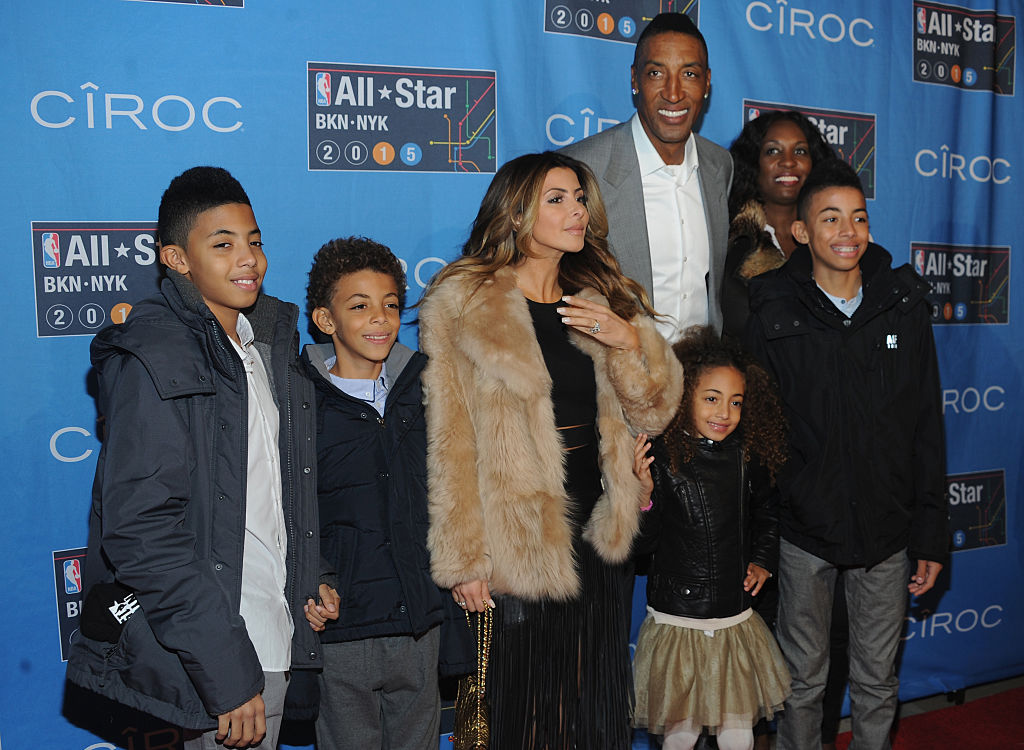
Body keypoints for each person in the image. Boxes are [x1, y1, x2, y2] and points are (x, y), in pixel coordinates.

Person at [418, 151, 683, 749]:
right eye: (556, 199)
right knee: (520, 712)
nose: (576, 211)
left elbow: (656, 412)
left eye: (580, 198)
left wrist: (628, 338)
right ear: (516, 213)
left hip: (600, 530)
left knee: (593, 706)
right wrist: (465, 558)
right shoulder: (462, 299)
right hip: (518, 539)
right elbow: (449, 438)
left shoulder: (601, 298)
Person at [66, 166, 336, 748]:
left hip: (276, 636)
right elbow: (141, 530)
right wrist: (225, 672)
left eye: (255, 241)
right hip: (219, 657)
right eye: (223, 244)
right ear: (176, 258)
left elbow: (279, 498)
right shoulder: (154, 355)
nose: (249, 259)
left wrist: (316, 581)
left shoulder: (265, 347)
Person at [744, 159, 948, 750]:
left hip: (886, 530)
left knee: (877, 683)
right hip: (804, 530)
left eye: (858, 218)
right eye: (830, 218)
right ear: (802, 232)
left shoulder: (902, 304)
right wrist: (763, 532)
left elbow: (924, 428)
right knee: (803, 683)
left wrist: (930, 533)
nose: (847, 231)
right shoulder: (772, 310)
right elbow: (757, 434)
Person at [301, 237, 461, 749]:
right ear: (325, 320)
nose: (380, 319)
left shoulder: (426, 389)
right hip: (342, 630)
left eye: (391, 305)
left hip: (417, 623)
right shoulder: (301, 406)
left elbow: (453, 491)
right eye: (360, 306)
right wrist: (315, 579)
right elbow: (288, 512)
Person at [631, 326, 791, 750]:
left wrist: (762, 559)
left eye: (736, 402)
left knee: (738, 732)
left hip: (734, 616)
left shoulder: (747, 456)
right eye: (711, 398)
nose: (725, 412)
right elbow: (640, 548)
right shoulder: (660, 457)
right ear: (684, 396)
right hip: (678, 617)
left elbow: (767, 512)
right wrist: (644, 496)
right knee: (680, 733)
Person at [562, 12, 732, 340]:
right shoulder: (581, 168)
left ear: (707, 82)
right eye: (656, 73)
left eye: (690, 74)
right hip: (618, 380)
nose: (673, 92)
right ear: (635, 79)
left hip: (700, 376)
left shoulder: (720, 165)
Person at [721, 110, 834, 340]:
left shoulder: (837, 237)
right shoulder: (731, 242)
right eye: (773, 151)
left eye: (800, 151)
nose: (788, 161)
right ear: (754, 162)